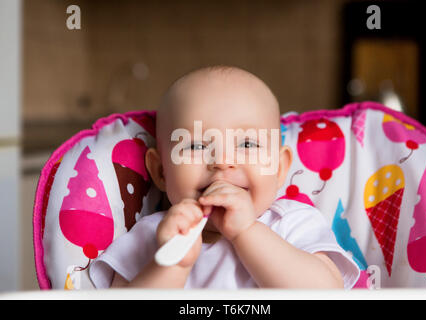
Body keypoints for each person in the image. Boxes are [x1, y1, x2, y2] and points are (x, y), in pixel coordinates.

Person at [89, 65, 360, 289]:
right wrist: (171, 264)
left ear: (278, 168)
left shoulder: (292, 224)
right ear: (161, 171)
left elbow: (326, 292)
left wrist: (247, 233)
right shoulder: (151, 236)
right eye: (195, 146)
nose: (222, 161)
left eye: (247, 145)